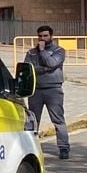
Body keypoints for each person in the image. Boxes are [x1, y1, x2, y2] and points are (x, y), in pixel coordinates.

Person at [25, 26, 68, 160]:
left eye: (45, 36)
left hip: (53, 89)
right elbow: (28, 68)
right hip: (36, 90)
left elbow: (52, 62)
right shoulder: (32, 52)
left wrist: (43, 51)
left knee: (58, 120)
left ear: (51, 36)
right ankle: (31, 147)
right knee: (33, 120)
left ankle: (64, 147)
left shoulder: (59, 51)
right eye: (40, 36)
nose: (42, 39)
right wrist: (45, 69)